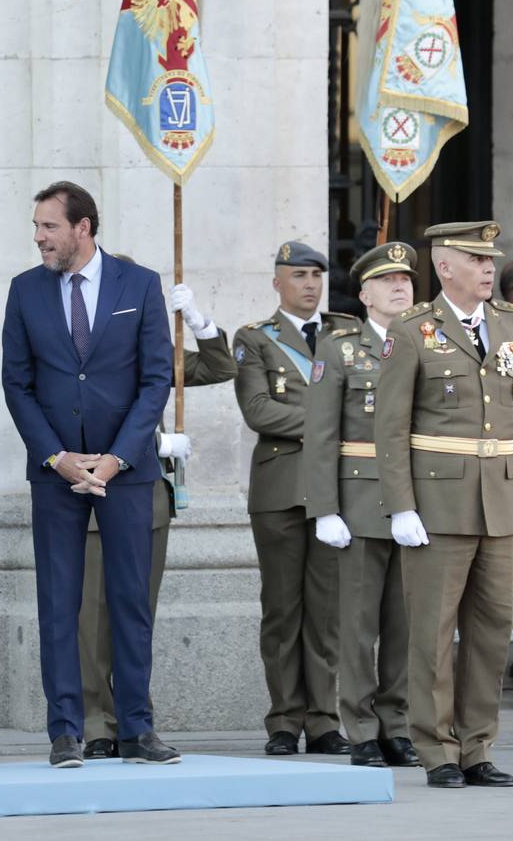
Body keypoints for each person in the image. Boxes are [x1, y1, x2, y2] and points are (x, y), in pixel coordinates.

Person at [1, 180, 178, 769]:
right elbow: (17, 384)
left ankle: (137, 729)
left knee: (130, 601)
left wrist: (117, 456)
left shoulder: (141, 284)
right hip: (55, 473)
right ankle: (65, 732)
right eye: (37, 227)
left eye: (48, 226)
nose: (38, 237)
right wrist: (56, 457)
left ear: (82, 227)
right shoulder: (25, 290)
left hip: (125, 472)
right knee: (60, 602)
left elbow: (158, 379)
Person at [376, 220, 513, 789]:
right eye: (476, 259)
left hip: (500, 496)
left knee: (492, 631)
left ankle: (478, 747)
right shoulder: (413, 329)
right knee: (431, 633)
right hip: (437, 502)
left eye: (491, 258)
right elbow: (391, 428)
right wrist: (400, 505)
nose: (490, 267)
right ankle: (436, 749)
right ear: (445, 267)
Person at [79, 280, 236, 758]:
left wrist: (198, 320)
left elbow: (217, 367)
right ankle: (94, 725)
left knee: (136, 616)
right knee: (91, 619)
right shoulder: (75, 348)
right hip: (92, 493)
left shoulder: (148, 343)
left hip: (145, 498)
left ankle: (134, 723)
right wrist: (154, 445)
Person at [232, 241, 358, 757]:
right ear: (277, 282)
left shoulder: (346, 333)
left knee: (326, 612)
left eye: (316, 275)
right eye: (300, 275)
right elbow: (259, 411)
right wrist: (334, 422)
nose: (310, 284)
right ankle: (284, 719)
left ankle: (324, 720)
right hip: (282, 490)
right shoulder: (255, 339)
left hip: (336, 491)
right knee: (283, 610)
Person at [302, 241, 421, 769]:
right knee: (358, 625)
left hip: (415, 501)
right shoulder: (339, 347)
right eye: (388, 281)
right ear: (365, 293)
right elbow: (321, 434)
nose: (400, 287)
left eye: (407, 280)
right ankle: (362, 727)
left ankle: (397, 724)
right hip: (360, 500)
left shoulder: (427, 342)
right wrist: (323, 507)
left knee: (405, 624)